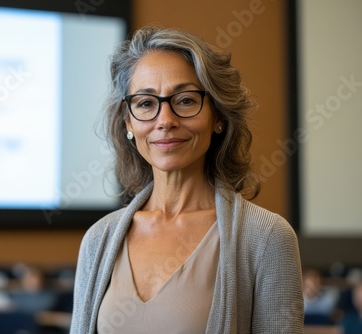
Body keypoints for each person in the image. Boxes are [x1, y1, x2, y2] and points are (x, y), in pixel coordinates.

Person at [70, 27, 303, 334]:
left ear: (217, 116)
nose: (165, 121)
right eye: (145, 103)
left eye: (185, 100)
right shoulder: (98, 240)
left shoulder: (266, 237)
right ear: (128, 122)